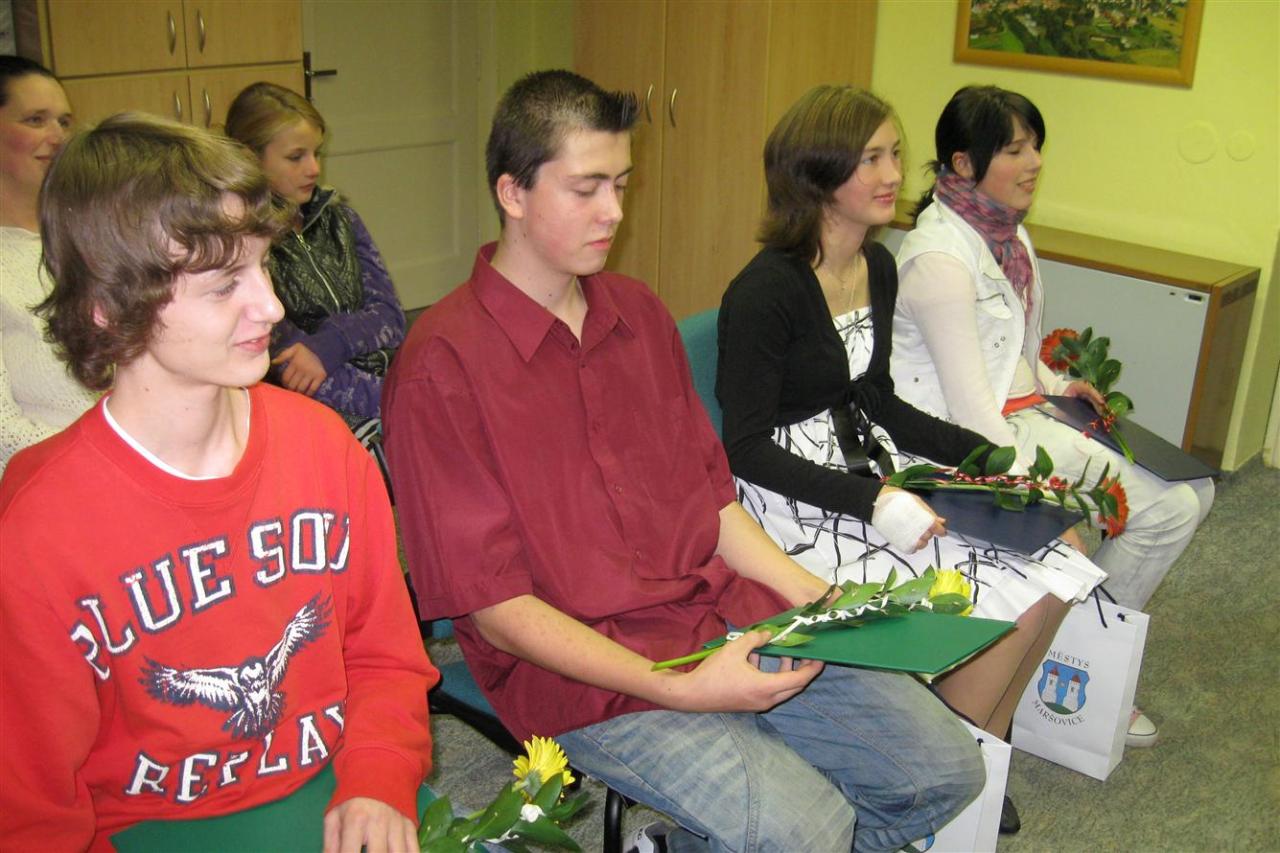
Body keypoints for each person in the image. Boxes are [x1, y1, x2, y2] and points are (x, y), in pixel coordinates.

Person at [384, 69, 982, 853]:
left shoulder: (637, 315)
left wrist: (814, 595)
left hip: (716, 608)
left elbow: (713, 502)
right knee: (811, 829)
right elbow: (497, 609)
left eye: (621, 184)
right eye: (587, 188)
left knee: (945, 772)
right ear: (512, 193)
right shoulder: (441, 366)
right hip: (589, 674)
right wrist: (683, 687)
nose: (614, 211)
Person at [0, 113, 435, 851]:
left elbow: (385, 656)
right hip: (151, 826)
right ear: (110, 306)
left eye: (263, 266)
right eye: (224, 282)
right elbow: (32, 806)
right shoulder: (41, 525)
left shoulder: (324, 447)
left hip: (335, 779)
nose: (271, 306)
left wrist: (378, 776)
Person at [716, 86, 1105, 829]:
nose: (895, 173)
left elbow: (879, 400)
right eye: (871, 158)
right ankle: (952, 766)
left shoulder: (878, 265)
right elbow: (745, 446)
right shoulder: (765, 291)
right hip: (798, 499)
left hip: (872, 466)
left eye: (894, 153)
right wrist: (874, 502)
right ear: (818, 174)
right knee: (988, 587)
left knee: (1054, 567)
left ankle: (976, 751)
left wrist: (986, 456)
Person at [892, 84, 1214, 746]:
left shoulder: (1008, 235)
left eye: (1035, 145)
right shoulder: (939, 261)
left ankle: (1076, 653)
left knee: (1192, 495)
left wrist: (1061, 384)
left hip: (1025, 413)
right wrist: (1038, 498)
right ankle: (1080, 662)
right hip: (962, 444)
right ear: (963, 163)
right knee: (1158, 514)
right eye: (1014, 150)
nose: (1034, 162)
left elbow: (1016, 349)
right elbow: (969, 412)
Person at [225, 82, 405, 473]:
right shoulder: (243, 242)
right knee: (398, 456)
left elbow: (390, 317)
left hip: (384, 379)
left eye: (316, 152)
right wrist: (397, 404)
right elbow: (289, 367)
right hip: (313, 405)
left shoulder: (340, 218)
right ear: (251, 159)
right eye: (296, 157)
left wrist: (330, 344)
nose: (314, 169)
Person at [0, 56, 96, 471]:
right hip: (48, 484)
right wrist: (106, 464)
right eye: (36, 120)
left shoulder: (94, 237)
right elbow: (5, 435)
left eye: (65, 121)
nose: (58, 137)